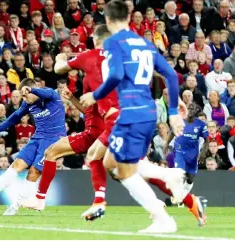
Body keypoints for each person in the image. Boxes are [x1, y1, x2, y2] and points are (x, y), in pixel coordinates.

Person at [78, 0, 186, 232]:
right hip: (148, 113)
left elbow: (116, 74)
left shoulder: (113, 42)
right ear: (128, 17)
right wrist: (174, 112)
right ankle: (167, 186)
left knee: (124, 172)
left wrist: (95, 95)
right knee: (112, 162)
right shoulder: (145, 43)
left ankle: (165, 205)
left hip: (130, 114)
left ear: (107, 20)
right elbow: (170, 74)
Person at [19, 25, 119, 216]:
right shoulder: (109, 69)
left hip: (98, 131)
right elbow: (91, 109)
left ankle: (41, 199)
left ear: (95, 39)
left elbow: (59, 68)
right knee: (53, 152)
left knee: (53, 152)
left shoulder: (92, 59)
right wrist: (72, 98)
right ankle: (40, 199)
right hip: (100, 128)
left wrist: (60, 57)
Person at [0, 78, 66, 216]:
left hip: (53, 140)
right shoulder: (28, 103)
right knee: (17, 164)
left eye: (25, 95)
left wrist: (32, 90)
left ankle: (15, 206)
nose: (23, 99)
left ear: (32, 91)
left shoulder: (50, 95)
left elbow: (47, 93)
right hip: (37, 137)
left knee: (33, 172)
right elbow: (15, 116)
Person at [166, 102, 208, 226]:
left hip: (193, 155)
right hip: (180, 151)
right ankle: (180, 197)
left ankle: (183, 196)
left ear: (196, 111)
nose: (190, 109)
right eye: (188, 107)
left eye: (192, 108)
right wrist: (166, 144)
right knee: (179, 174)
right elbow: (173, 132)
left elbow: (207, 140)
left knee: (190, 179)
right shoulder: (180, 120)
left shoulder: (200, 124)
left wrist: (203, 153)